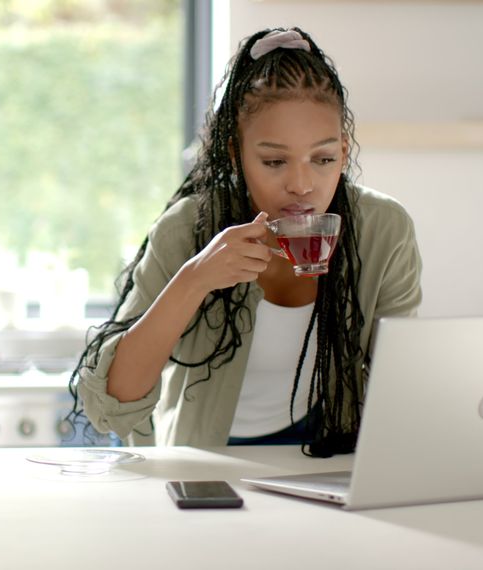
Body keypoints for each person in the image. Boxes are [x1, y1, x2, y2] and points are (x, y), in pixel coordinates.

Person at [67, 27, 422, 457]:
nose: (301, 184)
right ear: (236, 154)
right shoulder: (187, 229)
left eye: (323, 159)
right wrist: (195, 279)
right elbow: (110, 407)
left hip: (325, 454)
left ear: (344, 153)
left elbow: (401, 385)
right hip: (206, 458)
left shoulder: (382, 230)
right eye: (274, 161)